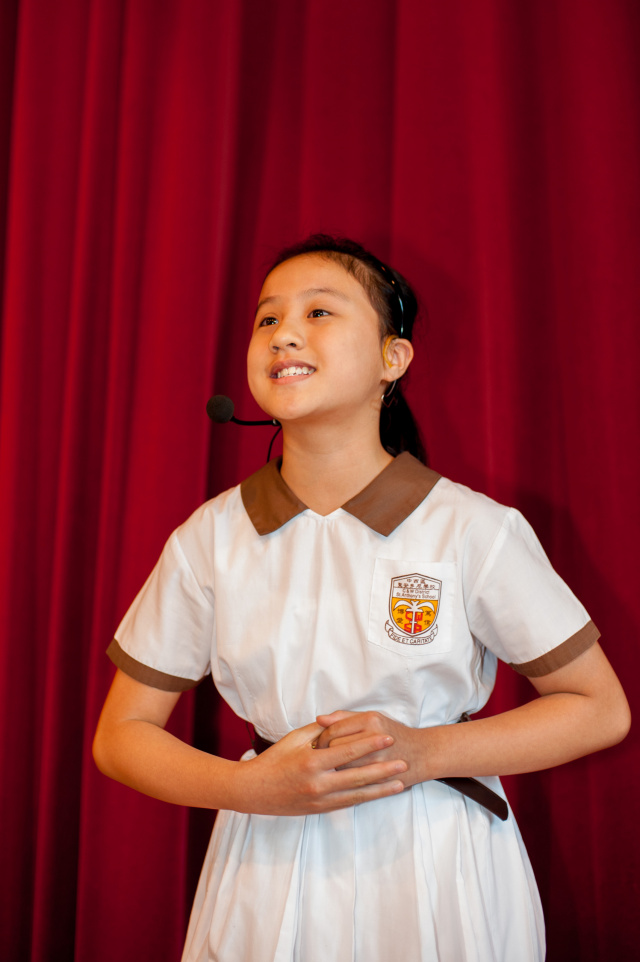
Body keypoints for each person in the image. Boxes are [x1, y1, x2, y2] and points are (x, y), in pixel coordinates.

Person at [93, 234, 630, 962]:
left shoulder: (472, 528)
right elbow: (121, 735)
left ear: (392, 359)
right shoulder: (208, 539)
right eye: (267, 318)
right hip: (266, 855)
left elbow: (598, 708)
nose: (284, 333)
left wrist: (421, 751)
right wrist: (253, 790)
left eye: (319, 312)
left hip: (436, 857)